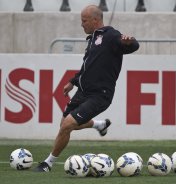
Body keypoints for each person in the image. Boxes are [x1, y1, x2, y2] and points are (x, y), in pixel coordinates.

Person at [34, 4, 139, 172]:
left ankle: (48, 163)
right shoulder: (92, 39)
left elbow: (132, 46)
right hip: (82, 92)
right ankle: (99, 125)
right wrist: (73, 82)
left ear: (95, 20)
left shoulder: (111, 35)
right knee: (64, 125)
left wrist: (131, 42)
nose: (81, 24)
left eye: (84, 20)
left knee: (67, 124)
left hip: (99, 95)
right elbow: (87, 66)